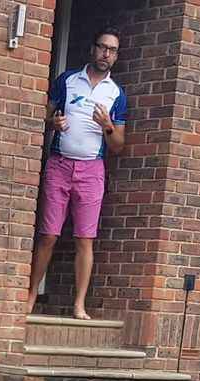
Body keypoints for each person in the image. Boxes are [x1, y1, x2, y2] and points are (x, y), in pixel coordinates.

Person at [29, 29, 127, 320]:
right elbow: (42, 120)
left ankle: (79, 304)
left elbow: (119, 146)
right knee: (49, 234)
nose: (106, 54)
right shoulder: (68, 80)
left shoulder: (117, 94)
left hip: (91, 170)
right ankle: (32, 293)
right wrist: (53, 124)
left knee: (85, 238)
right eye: (102, 47)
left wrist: (108, 125)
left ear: (116, 56)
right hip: (60, 164)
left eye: (112, 50)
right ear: (92, 49)